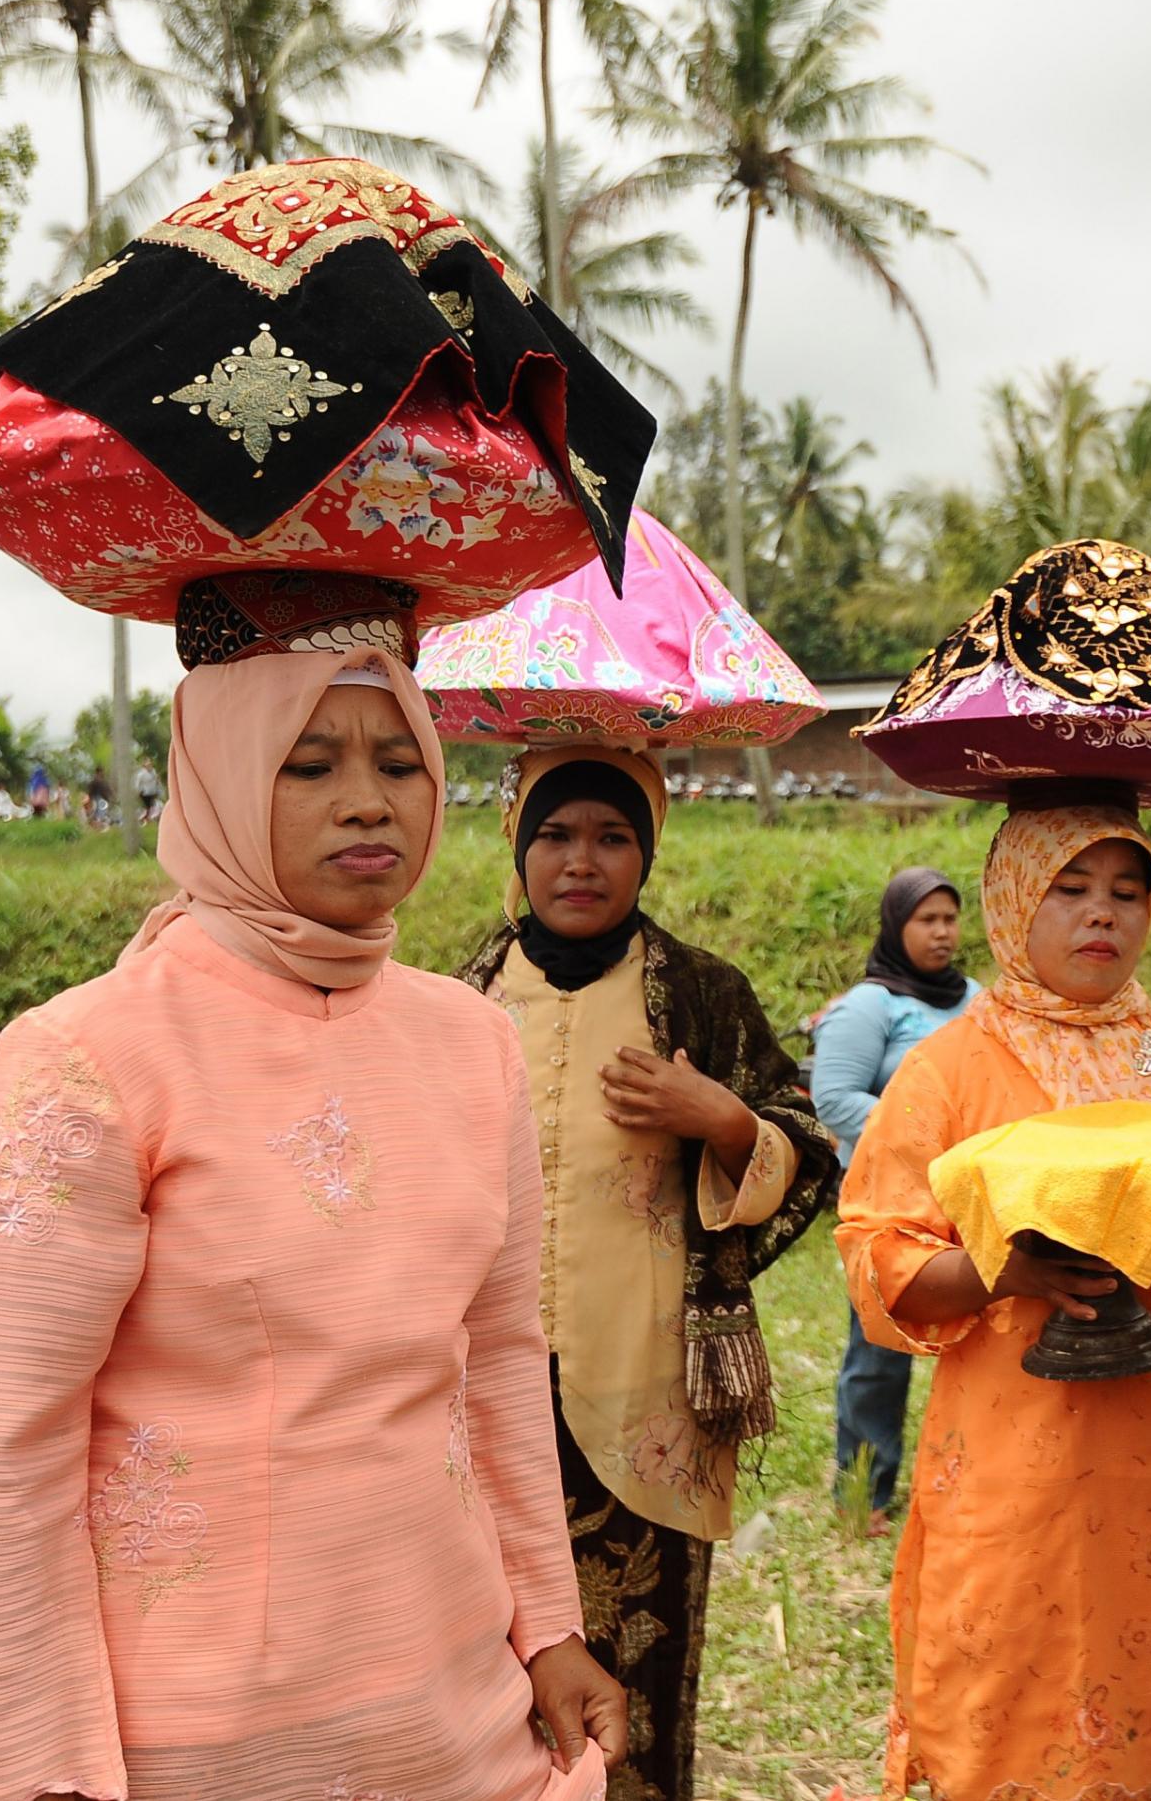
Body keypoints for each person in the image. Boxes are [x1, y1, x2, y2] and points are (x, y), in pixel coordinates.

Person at [0, 581, 624, 1801]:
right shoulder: (88, 1061)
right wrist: (25, 1762)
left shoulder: (473, 1041)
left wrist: (545, 1623)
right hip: (198, 1734)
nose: (366, 800)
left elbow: (494, 1355)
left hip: (453, 1706)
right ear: (215, 775)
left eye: (399, 760)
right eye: (306, 763)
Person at [838, 803, 1151, 1801]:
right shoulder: (949, 1068)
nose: (1101, 916)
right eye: (1069, 889)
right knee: (1019, 1710)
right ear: (1012, 901)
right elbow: (878, 1255)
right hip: (1017, 1462)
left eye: (1127, 892)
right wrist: (1009, 1268)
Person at [462, 744, 840, 1801]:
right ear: (518, 845)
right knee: (475, 1676)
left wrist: (719, 1121)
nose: (582, 861)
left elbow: (805, 1151)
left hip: (647, 1407)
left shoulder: (705, 997)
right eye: (556, 833)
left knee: (637, 1679)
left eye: (612, 836)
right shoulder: (459, 999)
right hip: (475, 1404)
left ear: (648, 852)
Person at [809, 867, 979, 1531]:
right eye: (926, 919)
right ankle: (865, 1496)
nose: (941, 932)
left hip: (973, 1200)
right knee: (878, 1353)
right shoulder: (870, 1006)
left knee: (978, 1343)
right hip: (893, 1203)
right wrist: (925, 1137)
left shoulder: (979, 1002)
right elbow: (835, 1098)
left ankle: (963, 1483)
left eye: (949, 918)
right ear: (896, 925)